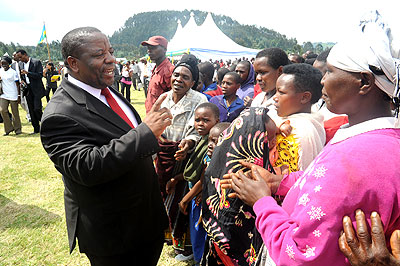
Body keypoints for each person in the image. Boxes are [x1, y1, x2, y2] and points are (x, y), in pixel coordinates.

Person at [222, 11, 400, 265]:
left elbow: (299, 254)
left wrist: (262, 202)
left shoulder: (352, 158)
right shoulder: (380, 137)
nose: (323, 82)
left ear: (364, 82)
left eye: (330, 72)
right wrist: (279, 183)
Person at [40, 27, 172, 266]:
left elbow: (126, 137)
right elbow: (88, 167)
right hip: (115, 235)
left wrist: (153, 135)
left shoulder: (106, 89)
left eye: (110, 51)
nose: (111, 58)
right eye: (100, 54)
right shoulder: (59, 114)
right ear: (74, 63)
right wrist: (145, 133)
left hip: (145, 220)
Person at [156, 54, 208, 259]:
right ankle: (167, 236)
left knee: (179, 198)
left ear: (193, 82)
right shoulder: (164, 98)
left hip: (184, 157)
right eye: (176, 75)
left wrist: (189, 142)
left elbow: (200, 128)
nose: (178, 79)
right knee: (162, 195)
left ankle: (183, 244)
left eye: (185, 77)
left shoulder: (199, 100)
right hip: (162, 154)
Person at [178, 102, 220, 265]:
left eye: (205, 120)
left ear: (216, 121)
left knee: (199, 229)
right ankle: (198, 256)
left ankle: (200, 259)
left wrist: (185, 199)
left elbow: (203, 180)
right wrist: (176, 179)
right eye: (197, 120)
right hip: (195, 192)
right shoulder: (204, 140)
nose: (200, 124)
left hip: (199, 195)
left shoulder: (213, 145)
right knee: (196, 229)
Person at [271, 63, 325, 172]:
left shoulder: (292, 132)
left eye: (281, 92)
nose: (274, 97)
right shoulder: (315, 121)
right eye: (275, 91)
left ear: (304, 97)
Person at [251, 48, 290, 120]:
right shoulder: (259, 98)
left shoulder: (287, 104)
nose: (258, 78)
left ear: (280, 71)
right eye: (257, 73)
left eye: (263, 72)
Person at [141, 35, 174, 113]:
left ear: (164, 49)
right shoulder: (156, 68)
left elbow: (175, 100)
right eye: (148, 48)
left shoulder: (169, 71)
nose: (149, 51)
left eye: (153, 48)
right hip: (151, 116)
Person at [16, 49, 45, 134]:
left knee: (37, 109)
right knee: (31, 110)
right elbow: (22, 76)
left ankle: (45, 122)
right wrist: (22, 81)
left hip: (36, 89)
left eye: (21, 57)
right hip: (27, 90)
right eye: (19, 58)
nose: (20, 59)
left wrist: (28, 73)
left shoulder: (36, 62)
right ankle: (36, 129)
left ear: (25, 55)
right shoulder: (20, 64)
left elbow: (40, 75)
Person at [0, 56, 22, 135]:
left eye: (5, 63)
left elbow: (18, 84)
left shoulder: (13, 72)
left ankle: (18, 129)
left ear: (9, 64)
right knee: (2, 110)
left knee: (15, 112)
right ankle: (8, 129)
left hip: (13, 94)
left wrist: (19, 95)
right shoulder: (0, 71)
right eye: (2, 64)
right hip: (3, 95)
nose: (3, 65)